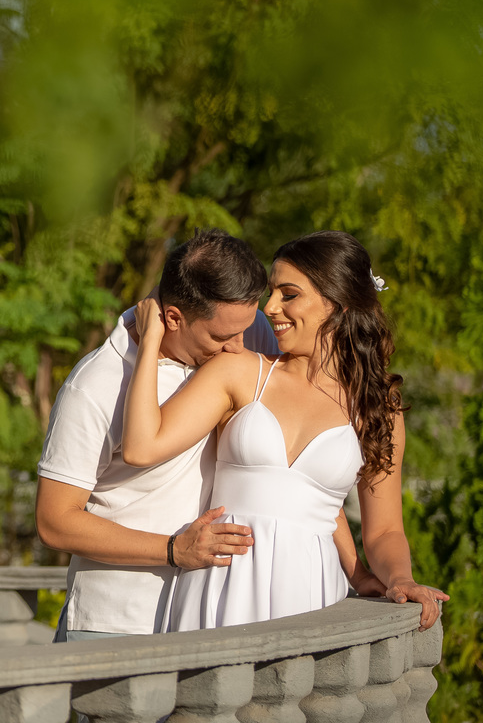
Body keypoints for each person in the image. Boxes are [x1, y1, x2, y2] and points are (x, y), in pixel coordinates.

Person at [37, 229, 384, 641]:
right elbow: (54, 522)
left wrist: (359, 571)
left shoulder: (240, 334)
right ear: (172, 319)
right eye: (223, 337)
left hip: (209, 610)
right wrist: (172, 549)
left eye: (249, 327)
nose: (241, 346)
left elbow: (299, 479)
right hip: (118, 620)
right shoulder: (96, 385)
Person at [122, 230, 448, 632]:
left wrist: (398, 579)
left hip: (312, 591)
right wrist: (151, 340)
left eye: (288, 294)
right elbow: (140, 447)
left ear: (339, 303)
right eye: (271, 292)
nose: (270, 307)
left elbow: (383, 530)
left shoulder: (377, 406)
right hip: (220, 583)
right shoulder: (239, 371)